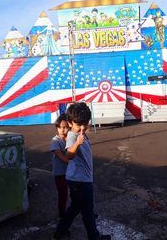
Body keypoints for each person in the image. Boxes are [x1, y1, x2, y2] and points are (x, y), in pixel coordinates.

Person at [52, 102, 111, 240]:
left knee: (74, 209)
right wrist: (77, 143)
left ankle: (58, 233)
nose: (83, 128)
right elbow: (69, 155)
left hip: (77, 179)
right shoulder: (73, 136)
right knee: (88, 213)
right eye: (79, 125)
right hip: (81, 182)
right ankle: (94, 237)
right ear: (71, 123)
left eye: (85, 124)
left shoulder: (81, 133)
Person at [51, 113, 70, 219]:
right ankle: (61, 215)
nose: (62, 130)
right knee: (63, 195)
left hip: (69, 172)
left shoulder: (69, 139)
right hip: (60, 173)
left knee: (75, 194)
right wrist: (72, 162)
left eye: (65, 127)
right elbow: (60, 156)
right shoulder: (55, 141)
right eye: (60, 127)